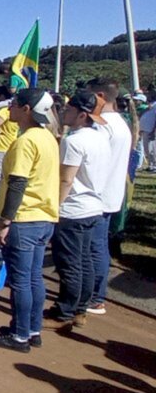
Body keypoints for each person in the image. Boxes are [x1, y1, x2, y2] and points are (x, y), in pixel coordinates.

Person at [0, 88, 58, 353]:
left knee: (21, 280)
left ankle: (19, 335)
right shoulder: (47, 137)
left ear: (27, 110)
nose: (9, 109)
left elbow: (18, 183)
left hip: (24, 218)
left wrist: (4, 222)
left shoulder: (25, 142)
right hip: (43, 217)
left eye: (13, 104)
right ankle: (32, 329)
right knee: (34, 277)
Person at [43, 91, 109, 327]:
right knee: (85, 260)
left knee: (69, 262)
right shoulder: (101, 137)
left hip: (74, 208)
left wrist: (54, 208)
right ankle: (81, 305)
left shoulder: (74, 141)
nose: (64, 113)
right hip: (93, 207)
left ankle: (67, 307)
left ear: (82, 115)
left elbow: (66, 179)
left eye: (69, 110)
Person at [85, 78, 132, 315]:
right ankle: (95, 294)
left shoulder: (102, 124)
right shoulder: (120, 123)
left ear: (101, 95)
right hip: (110, 193)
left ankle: (94, 296)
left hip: (97, 195)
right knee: (99, 245)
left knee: (94, 248)